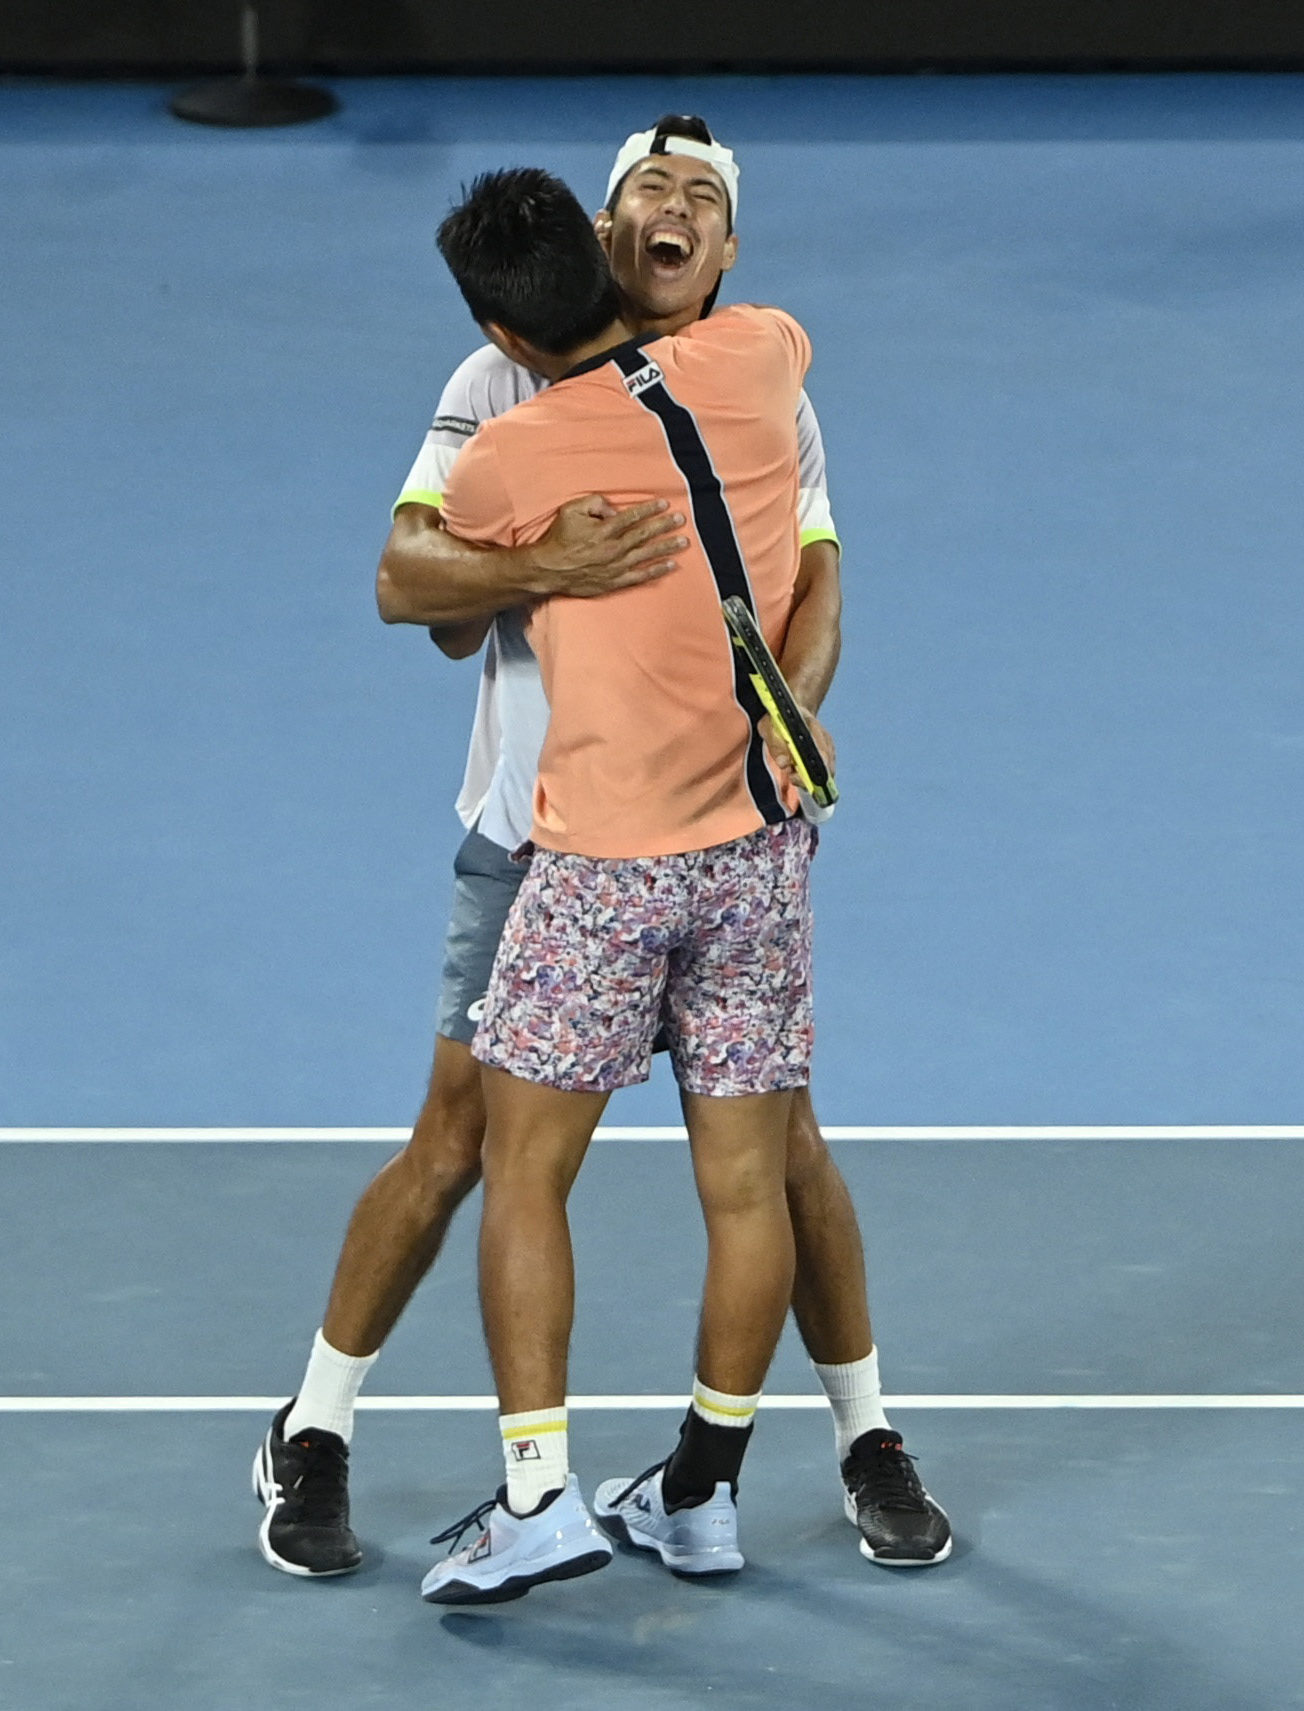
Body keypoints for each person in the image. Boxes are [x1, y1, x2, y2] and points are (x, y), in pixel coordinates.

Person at [252, 117, 947, 1584]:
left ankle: (863, 1436)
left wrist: (781, 719)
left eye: (705, 195)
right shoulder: (497, 384)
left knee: (784, 1156)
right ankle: (312, 1432)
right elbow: (425, 592)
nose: (674, 208)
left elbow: (815, 574)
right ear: (602, 231)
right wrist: (550, 560)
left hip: (721, 833)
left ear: (728, 247)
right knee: (458, 1147)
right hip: (531, 843)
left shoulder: (754, 378)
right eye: (648, 189)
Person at [416, 162, 843, 1604]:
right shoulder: (765, 351)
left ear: (510, 341)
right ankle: (702, 1499)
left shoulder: (512, 458)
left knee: (525, 1171)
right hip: (758, 857)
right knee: (747, 1191)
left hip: (601, 870)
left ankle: (538, 1496)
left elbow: (410, 589)